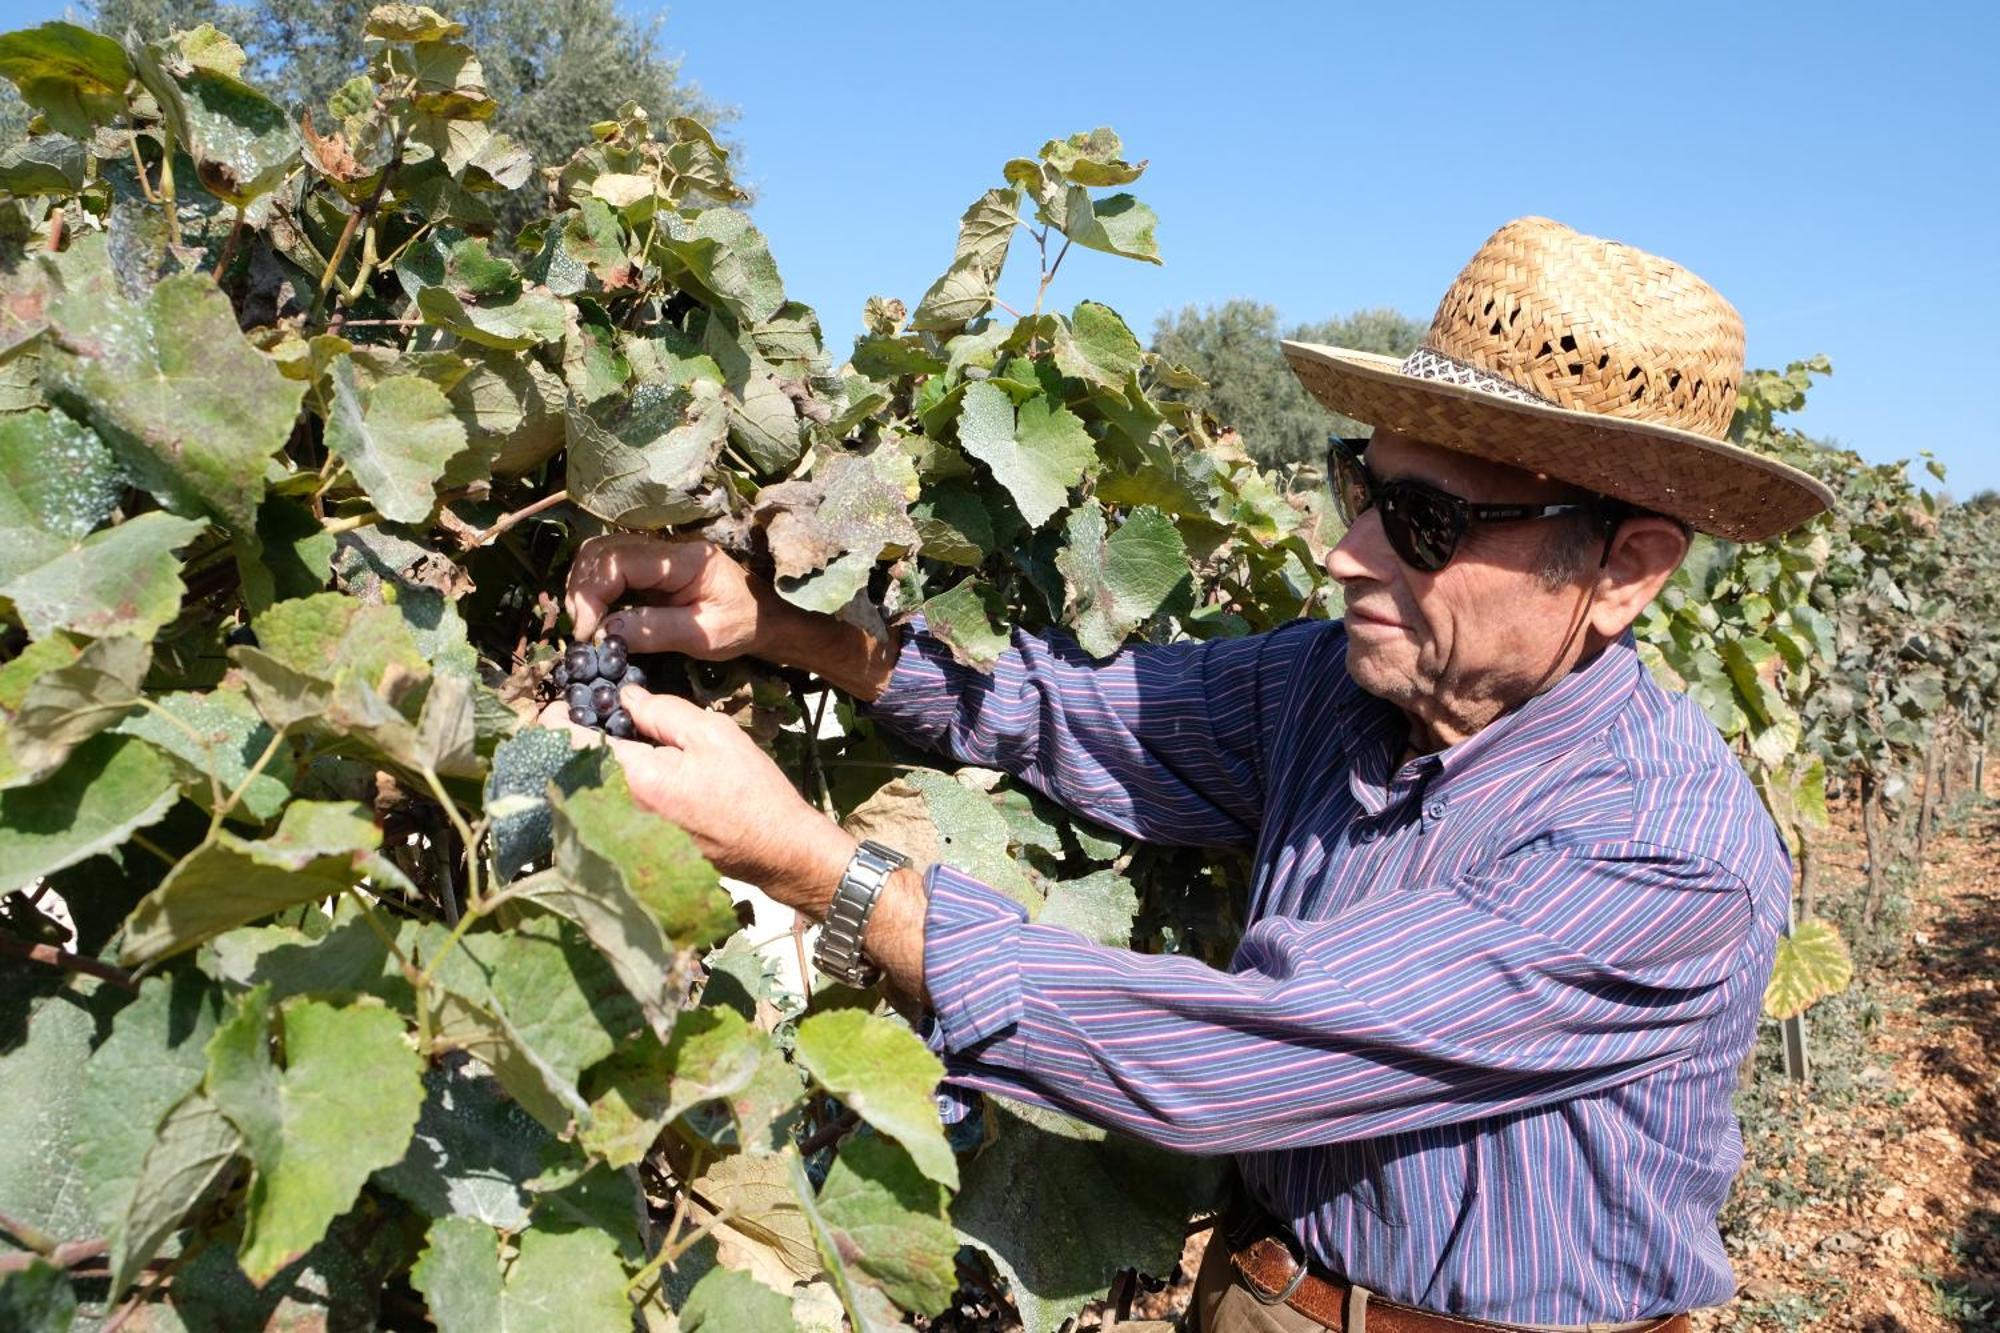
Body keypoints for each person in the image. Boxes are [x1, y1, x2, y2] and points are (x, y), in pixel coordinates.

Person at [549, 217, 1837, 1333]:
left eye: (1427, 522)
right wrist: (785, 628)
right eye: (1360, 486)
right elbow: (1076, 713)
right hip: (1252, 1298)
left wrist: (814, 864)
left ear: (1625, 570)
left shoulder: (1661, 856)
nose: (1346, 554)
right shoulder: (1327, 690)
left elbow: (1224, 1056)